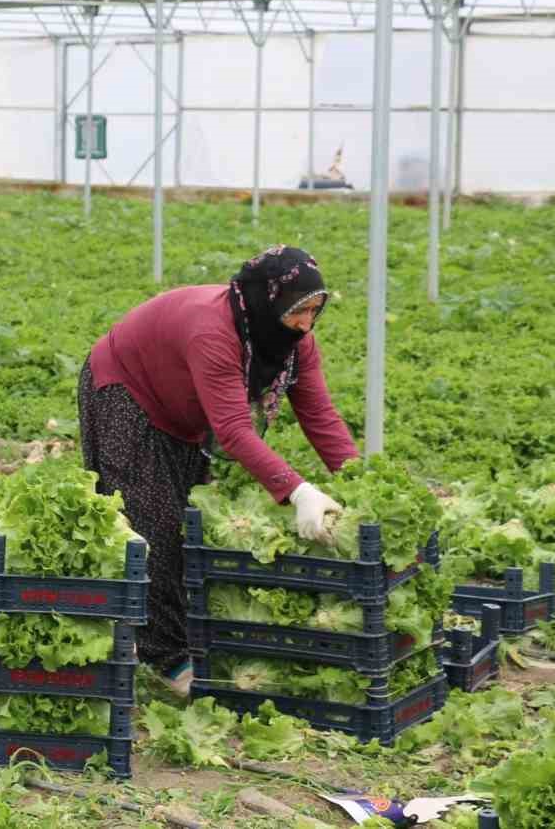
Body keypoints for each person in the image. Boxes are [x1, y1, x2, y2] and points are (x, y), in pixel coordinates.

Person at [77, 245, 358, 695]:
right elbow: (231, 429)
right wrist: (298, 491)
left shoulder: (293, 346)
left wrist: (358, 480)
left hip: (182, 409)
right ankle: (164, 656)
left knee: (187, 525)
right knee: (155, 526)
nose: (306, 323)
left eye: (315, 310)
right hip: (126, 389)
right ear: (269, 301)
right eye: (298, 311)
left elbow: (320, 416)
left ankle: (158, 629)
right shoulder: (216, 332)